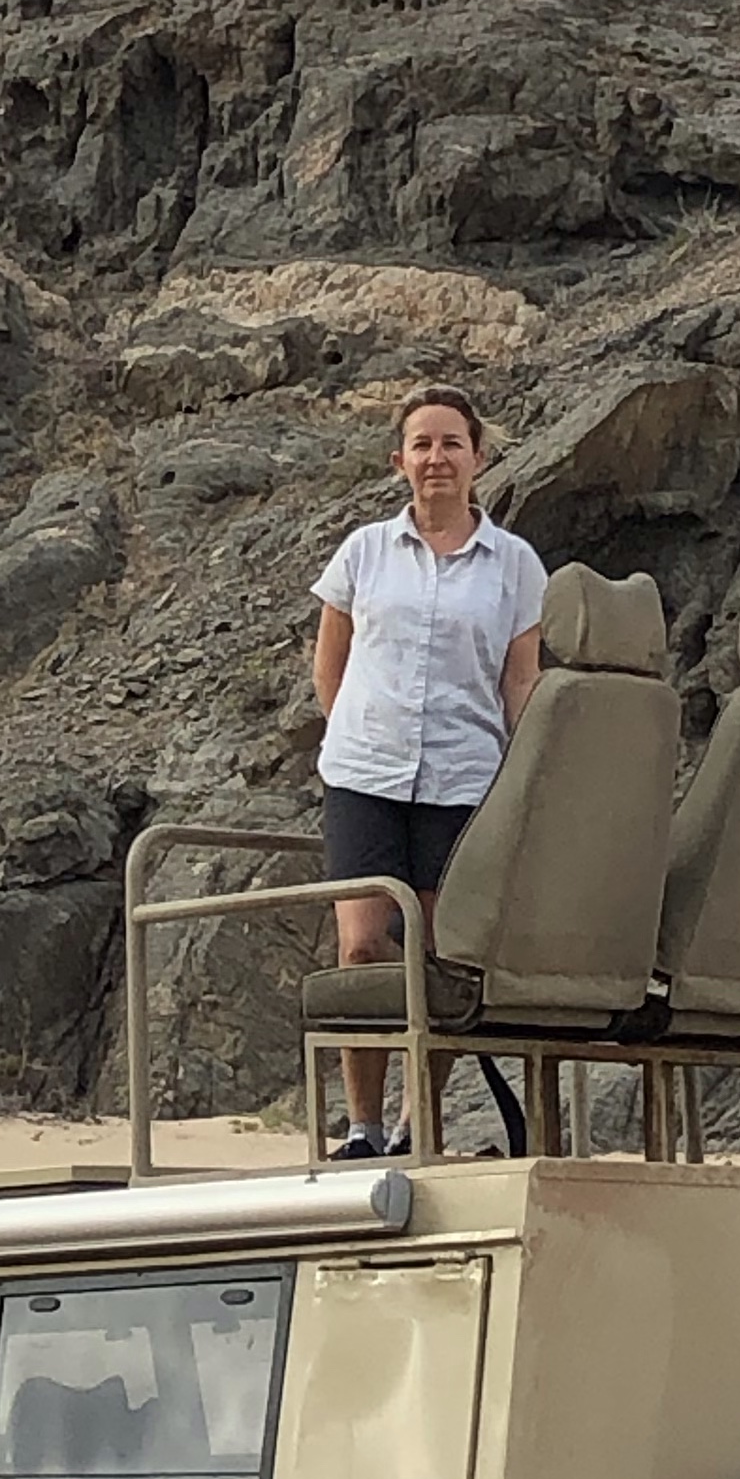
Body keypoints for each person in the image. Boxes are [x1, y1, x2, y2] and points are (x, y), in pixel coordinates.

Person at [309, 385, 546, 1156]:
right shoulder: (364, 552)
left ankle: (420, 1126)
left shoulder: (515, 565)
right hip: (365, 776)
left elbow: (520, 680)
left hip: (461, 779)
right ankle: (363, 1127)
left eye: (451, 443)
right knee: (362, 950)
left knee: (439, 961)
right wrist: (358, 735)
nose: (436, 458)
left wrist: (525, 776)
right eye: (422, 444)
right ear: (399, 461)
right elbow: (330, 667)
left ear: (478, 457)